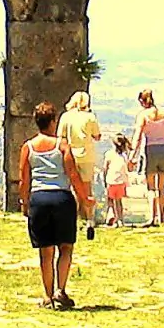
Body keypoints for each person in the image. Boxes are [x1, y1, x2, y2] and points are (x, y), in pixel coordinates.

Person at [19, 101, 95, 310]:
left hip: (39, 199)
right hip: (62, 199)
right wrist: (85, 198)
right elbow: (73, 174)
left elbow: (24, 179)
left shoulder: (28, 147)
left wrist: (25, 203)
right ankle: (61, 290)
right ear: (53, 121)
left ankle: (47, 295)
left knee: (45, 251)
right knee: (65, 247)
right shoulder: (62, 146)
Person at [129, 89, 164, 227]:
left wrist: (132, 156)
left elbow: (138, 137)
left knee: (151, 187)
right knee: (162, 186)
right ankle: (162, 218)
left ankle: (152, 217)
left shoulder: (143, 115)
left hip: (151, 150)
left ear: (142, 101)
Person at [57, 91, 102, 230]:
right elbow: (97, 136)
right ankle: (89, 219)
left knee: (70, 188)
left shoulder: (66, 116)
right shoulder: (90, 117)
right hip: (87, 155)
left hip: (70, 155)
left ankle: (71, 219)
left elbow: (60, 137)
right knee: (87, 189)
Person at [102, 134, 131, 227]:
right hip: (121, 182)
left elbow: (105, 168)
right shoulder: (124, 156)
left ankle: (111, 215)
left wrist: (104, 180)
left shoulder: (109, 154)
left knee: (110, 200)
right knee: (119, 201)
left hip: (111, 180)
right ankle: (120, 220)